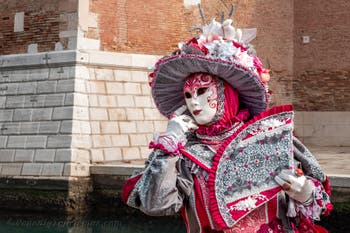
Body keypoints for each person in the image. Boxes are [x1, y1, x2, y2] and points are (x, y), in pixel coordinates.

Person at [122, 16, 332, 233]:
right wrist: (169, 146)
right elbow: (155, 205)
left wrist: (305, 193)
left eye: (202, 91)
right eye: (188, 94)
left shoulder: (272, 138)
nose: (194, 101)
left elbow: (322, 202)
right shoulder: (184, 156)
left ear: (227, 94)